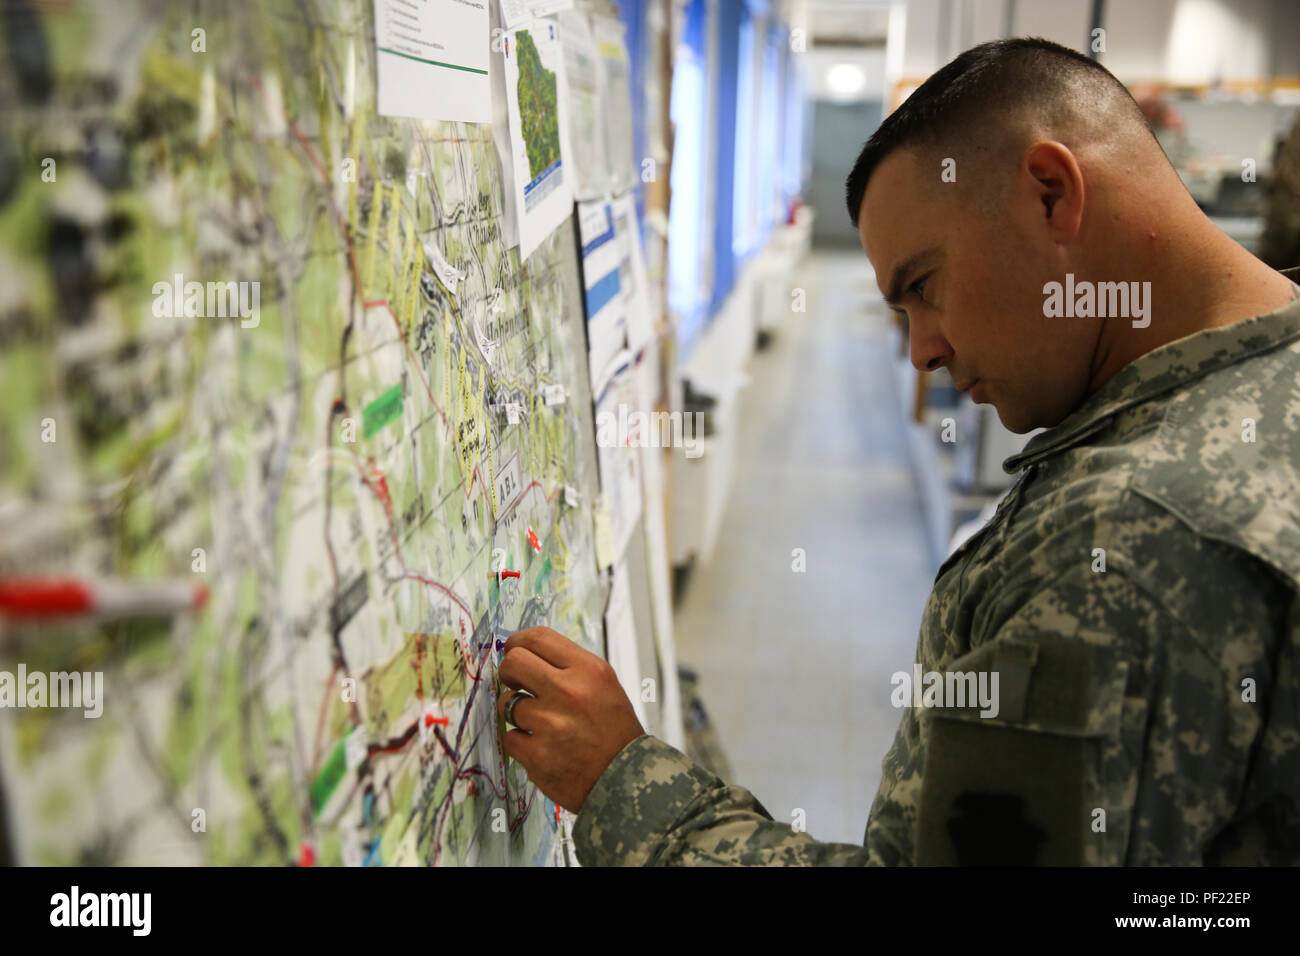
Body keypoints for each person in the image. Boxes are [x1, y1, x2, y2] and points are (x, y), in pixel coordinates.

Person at [496, 37, 1300, 865]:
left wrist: (622, 785)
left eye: (923, 287)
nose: (923, 352)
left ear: (1053, 194)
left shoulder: (1128, 541)